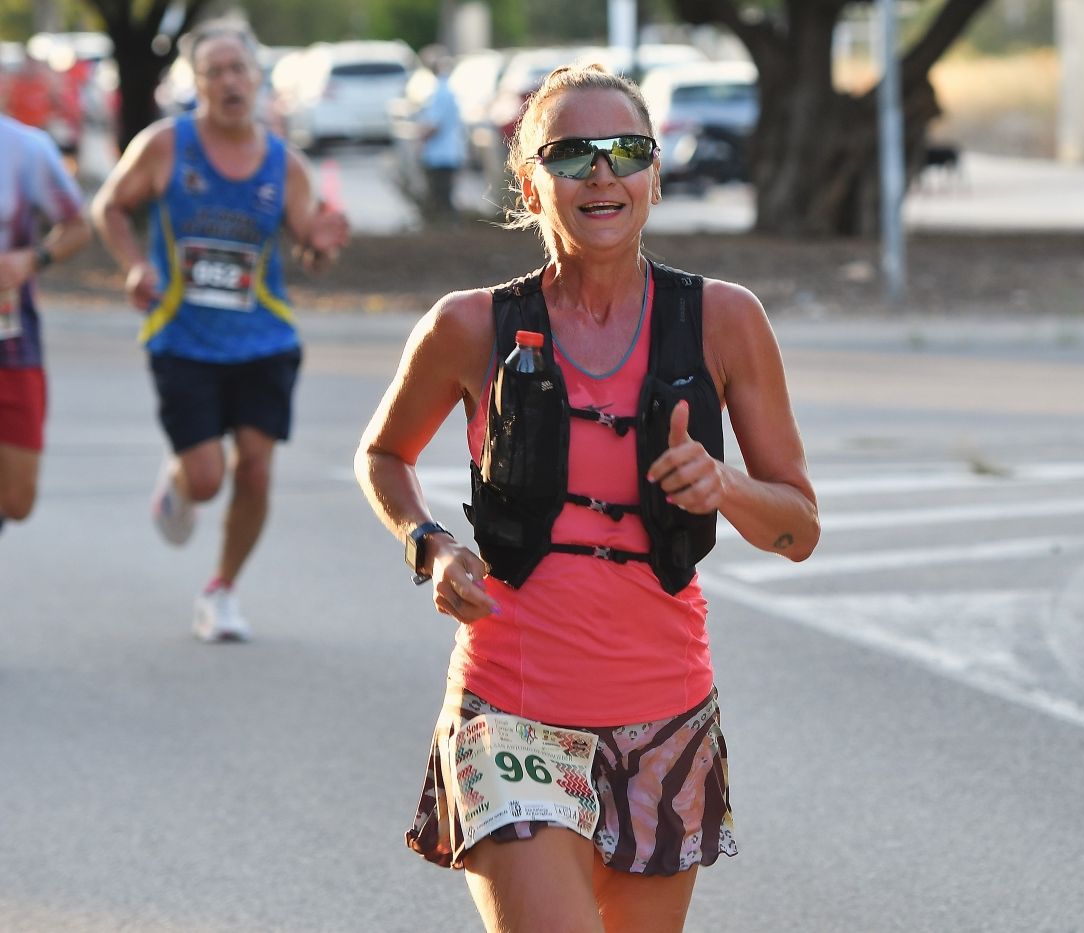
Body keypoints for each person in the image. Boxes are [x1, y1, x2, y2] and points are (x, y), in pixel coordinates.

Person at [354, 64, 820, 932]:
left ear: (654, 174)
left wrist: (722, 484)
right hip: (514, 712)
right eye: (571, 154)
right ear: (530, 183)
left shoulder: (724, 320)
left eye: (625, 151)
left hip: (667, 714)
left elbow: (799, 529)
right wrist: (431, 543)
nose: (601, 173)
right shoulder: (468, 327)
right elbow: (383, 453)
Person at [90, 22, 350, 642]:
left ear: (257, 79)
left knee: (255, 470)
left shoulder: (286, 165)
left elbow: (308, 250)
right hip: (182, 337)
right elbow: (110, 207)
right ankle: (179, 480)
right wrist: (135, 264)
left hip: (265, 339)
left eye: (239, 69)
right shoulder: (164, 147)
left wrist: (318, 248)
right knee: (207, 479)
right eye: (216, 71)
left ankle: (222, 590)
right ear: (197, 82)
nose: (230, 81)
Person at [0, 113, 91, 534]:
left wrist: (32, 259)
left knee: (18, 499)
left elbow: (77, 226)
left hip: (10, 341)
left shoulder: (24, 148)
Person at [415, 47, 465, 225]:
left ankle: (446, 227)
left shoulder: (440, 92)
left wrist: (420, 138)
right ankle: (449, 226)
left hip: (440, 154)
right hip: (450, 151)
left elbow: (433, 125)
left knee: (441, 195)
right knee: (446, 193)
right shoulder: (448, 90)